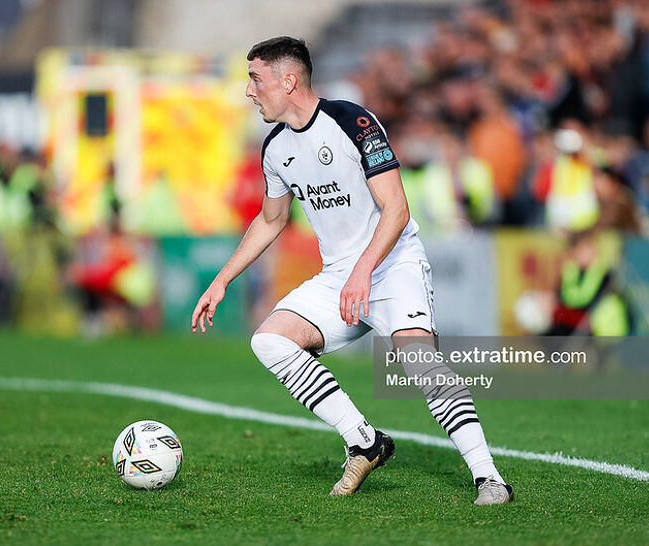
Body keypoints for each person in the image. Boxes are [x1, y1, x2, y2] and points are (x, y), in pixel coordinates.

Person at [191, 36, 512, 504]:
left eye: (255, 79)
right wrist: (221, 280)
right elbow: (272, 219)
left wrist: (364, 270)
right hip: (341, 275)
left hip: (392, 263)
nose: (249, 91)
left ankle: (489, 477)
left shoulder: (353, 121)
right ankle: (364, 440)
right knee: (270, 340)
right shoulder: (276, 148)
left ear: (289, 80)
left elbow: (396, 209)